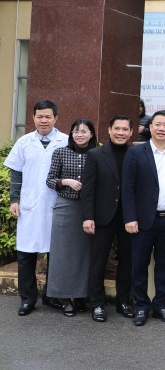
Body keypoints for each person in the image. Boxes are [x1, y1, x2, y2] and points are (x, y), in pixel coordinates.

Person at [4, 100, 69, 316]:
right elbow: (16, 173)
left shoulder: (65, 141)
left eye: (48, 116)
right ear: (33, 118)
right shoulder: (24, 142)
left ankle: (52, 296)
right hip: (29, 205)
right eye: (39, 116)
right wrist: (14, 199)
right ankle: (28, 298)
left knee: (56, 254)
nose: (43, 120)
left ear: (56, 118)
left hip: (57, 205)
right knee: (26, 254)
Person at [121, 110, 165, 326]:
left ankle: (161, 305)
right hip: (143, 220)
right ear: (150, 127)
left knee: (164, 265)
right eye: (158, 124)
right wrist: (130, 218)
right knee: (139, 265)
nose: (161, 128)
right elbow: (127, 188)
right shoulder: (136, 152)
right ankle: (141, 306)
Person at [81, 115, 136, 322]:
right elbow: (88, 189)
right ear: (109, 130)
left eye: (125, 129)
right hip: (102, 217)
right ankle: (97, 303)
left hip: (129, 217)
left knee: (127, 261)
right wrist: (88, 217)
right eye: (117, 129)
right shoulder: (95, 154)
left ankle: (123, 302)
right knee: (98, 261)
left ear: (131, 132)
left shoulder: (136, 153)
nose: (121, 133)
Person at [45, 118, 98, 316]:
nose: (79, 135)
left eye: (84, 131)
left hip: (89, 209)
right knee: (62, 254)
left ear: (91, 134)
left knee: (84, 254)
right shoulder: (60, 152)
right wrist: (65, 181)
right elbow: (50, 180)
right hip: (65, 207)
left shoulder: (97, 154)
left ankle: (81, 296)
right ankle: (64, 298)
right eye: (76, 131)